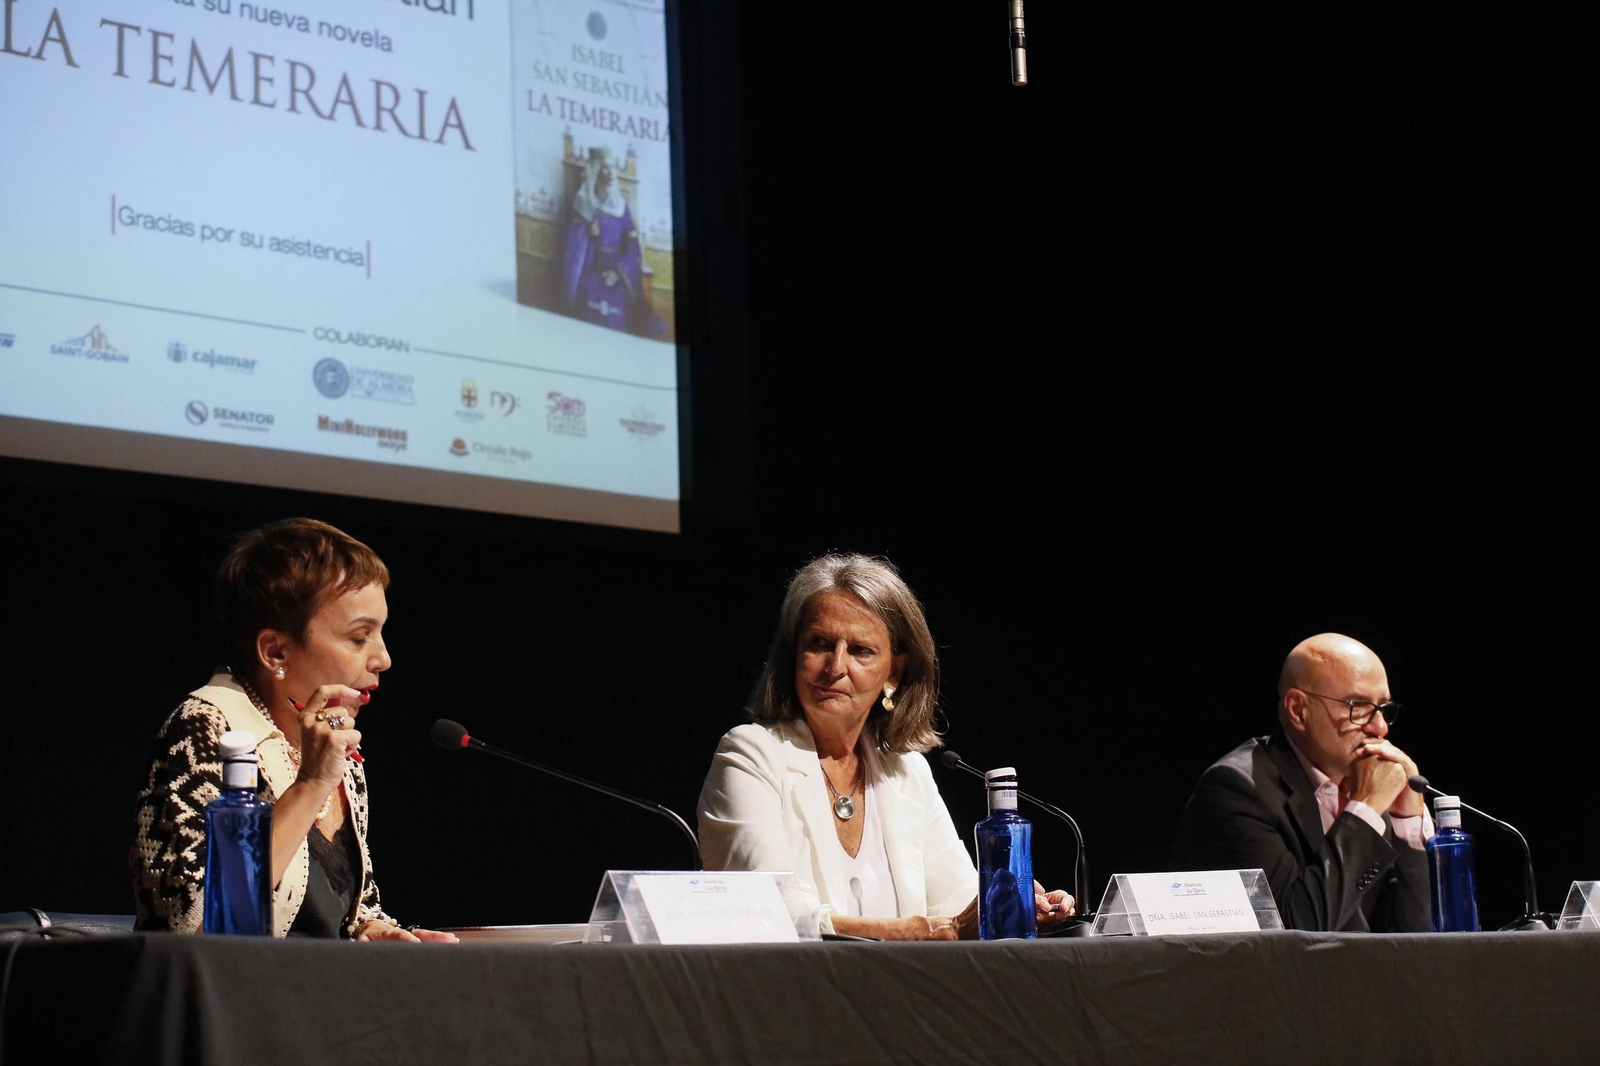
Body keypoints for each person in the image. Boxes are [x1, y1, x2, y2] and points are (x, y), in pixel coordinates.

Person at [697, 554, 1074, 939]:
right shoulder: (748, 756)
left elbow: (958, 898)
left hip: (905, 996)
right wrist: (928, 930)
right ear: (795, 653)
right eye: (820, 643)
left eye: (860, 650)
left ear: (894, 671)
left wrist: (1013, 902)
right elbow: (771, 911)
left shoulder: (906, 770)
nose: (835, 666)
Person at [130, 518, 456, 941]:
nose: (383, 659)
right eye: (360, 637)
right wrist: (310, 784)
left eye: (381, 633)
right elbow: (188, 924)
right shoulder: (206, 728)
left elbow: (345, 910)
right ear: (275, 650)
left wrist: (372, 930)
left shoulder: (332, 745)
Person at [1170, 632, 1432, 932]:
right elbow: (1296, 932)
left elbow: (1421, 938)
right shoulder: (1237, 790)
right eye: (1358, 706)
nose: (1380, 728)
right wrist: (1366, 809)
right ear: (1298, 710)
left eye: (1383, 709)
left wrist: (1408, 822)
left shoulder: (1373, 789)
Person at [559, 151, 650, 334]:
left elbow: (633, 246)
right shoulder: (582, 204)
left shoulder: (621, 207)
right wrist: (588, 234)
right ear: (594, 172)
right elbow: (573, 248)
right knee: (587, 288)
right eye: (604, 169)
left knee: (617, 297)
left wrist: (617, 273)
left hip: (618, 269)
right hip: (591, 268)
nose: (610, 174)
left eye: (611, 169)